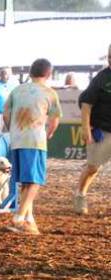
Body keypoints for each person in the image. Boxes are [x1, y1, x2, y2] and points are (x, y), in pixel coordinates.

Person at [3, 58, 62, 235]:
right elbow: (55, 119)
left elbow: (6, 115)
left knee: (26, 182)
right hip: (35, 140)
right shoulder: (50, 93)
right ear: (49, 74)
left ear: (30, 72)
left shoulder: (17, 90)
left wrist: (13, 130)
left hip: (17, 139)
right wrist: (49, 133)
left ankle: (29, 219)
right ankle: (19, 218)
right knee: (35, 181)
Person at [72, 45, 111, 215]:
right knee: (93, 167)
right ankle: (80, 194)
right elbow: (86, 104)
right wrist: (86, 130)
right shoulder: (101, 78)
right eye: (110, 57)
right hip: (102, 130)